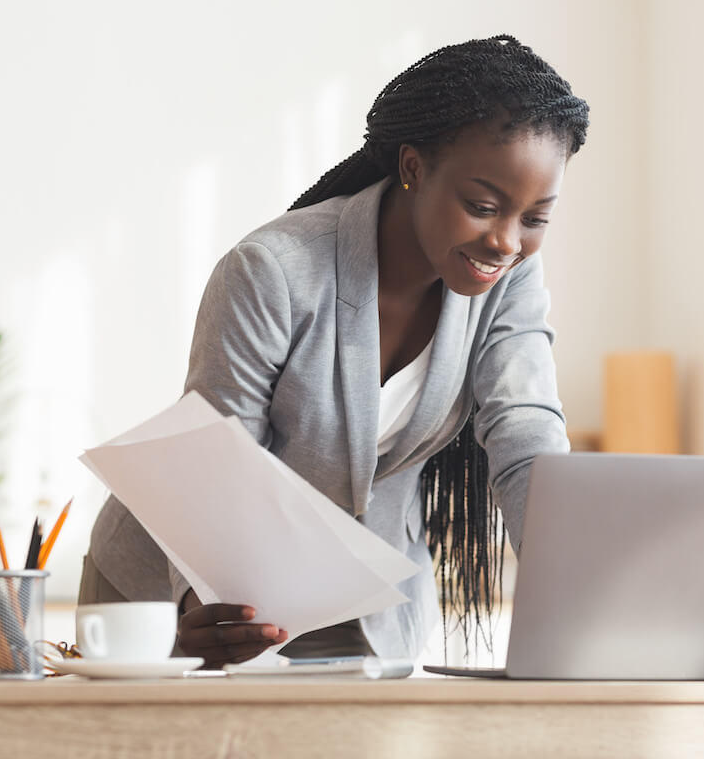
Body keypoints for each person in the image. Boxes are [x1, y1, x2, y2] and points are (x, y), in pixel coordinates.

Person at [79, 34, 590, 667]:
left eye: (535, 217)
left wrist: (578, 591)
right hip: (184, 591)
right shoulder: (273, 271)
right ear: (413, 168)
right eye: (482, 207)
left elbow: (525, 432)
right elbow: (217, 460)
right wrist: (204, 608)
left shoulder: (508, 281)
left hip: (366, 605)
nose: (506, 241)